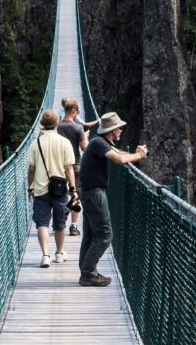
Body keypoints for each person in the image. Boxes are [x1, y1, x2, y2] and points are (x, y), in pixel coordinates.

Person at [73, 109, 148, 288]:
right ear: (112, 130)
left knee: (91, 234)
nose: (121, 130)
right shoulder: (99, 143)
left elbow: (120, 153)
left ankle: (86, 270)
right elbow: (119, 160)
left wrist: (136, 154)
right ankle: (88, 273)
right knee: (105, 235)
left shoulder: (100, 142)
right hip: (94, 193)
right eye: (119, 128)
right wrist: (138, 156)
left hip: (89, 192)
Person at [25, 108, 76, 267]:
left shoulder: (35, 143)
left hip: (40, 190)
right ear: (57, 124)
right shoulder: (64, 142)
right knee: (60, 223)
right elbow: (69, 168)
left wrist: (30, 188)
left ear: (43, 125)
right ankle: (59, 253)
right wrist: (73, 189)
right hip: (60, 189)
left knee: (42, 223)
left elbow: (31, 169)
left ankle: (45, 255)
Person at [52, 99, 87, 262]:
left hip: (59, 166)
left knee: (61, 195)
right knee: (75, 195)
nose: (78, 114)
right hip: (76, 165)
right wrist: (85, 135)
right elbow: (84, 148)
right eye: (77, 112)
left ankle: (61, 221)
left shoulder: (57, 126)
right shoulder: (78, 127)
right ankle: (73, 226)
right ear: (73, 111)